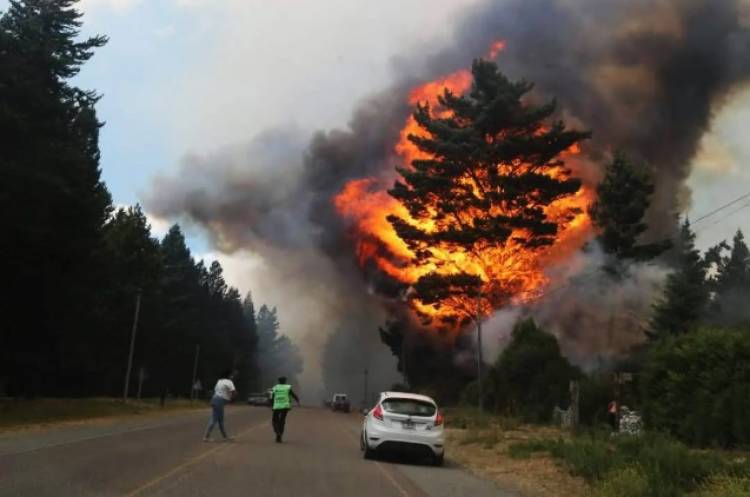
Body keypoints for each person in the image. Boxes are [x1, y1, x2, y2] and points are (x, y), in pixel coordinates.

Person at [203, 369, 236, 442]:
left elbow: (216, 390)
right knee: (214, 420)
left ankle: (225, 437)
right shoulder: (229, 382)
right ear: (229, 376)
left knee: (220, 420)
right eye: (231, 375)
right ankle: (206, 437)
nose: (232, 376)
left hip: (214, 399)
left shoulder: (219, 381)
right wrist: (232, 399)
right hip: (219, 401)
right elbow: (233, 391)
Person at [270, 376, 300, 443]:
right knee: (282, 421)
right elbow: (293, 395)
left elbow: (271, 396)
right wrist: (297, 400)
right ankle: (279, 435)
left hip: (277, 406)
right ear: (285, 381)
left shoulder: (275, 387)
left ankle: (277, 432)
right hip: (285, 406)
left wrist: (271, 405)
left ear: (279, 381)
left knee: (275, 421)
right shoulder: (288, 387)